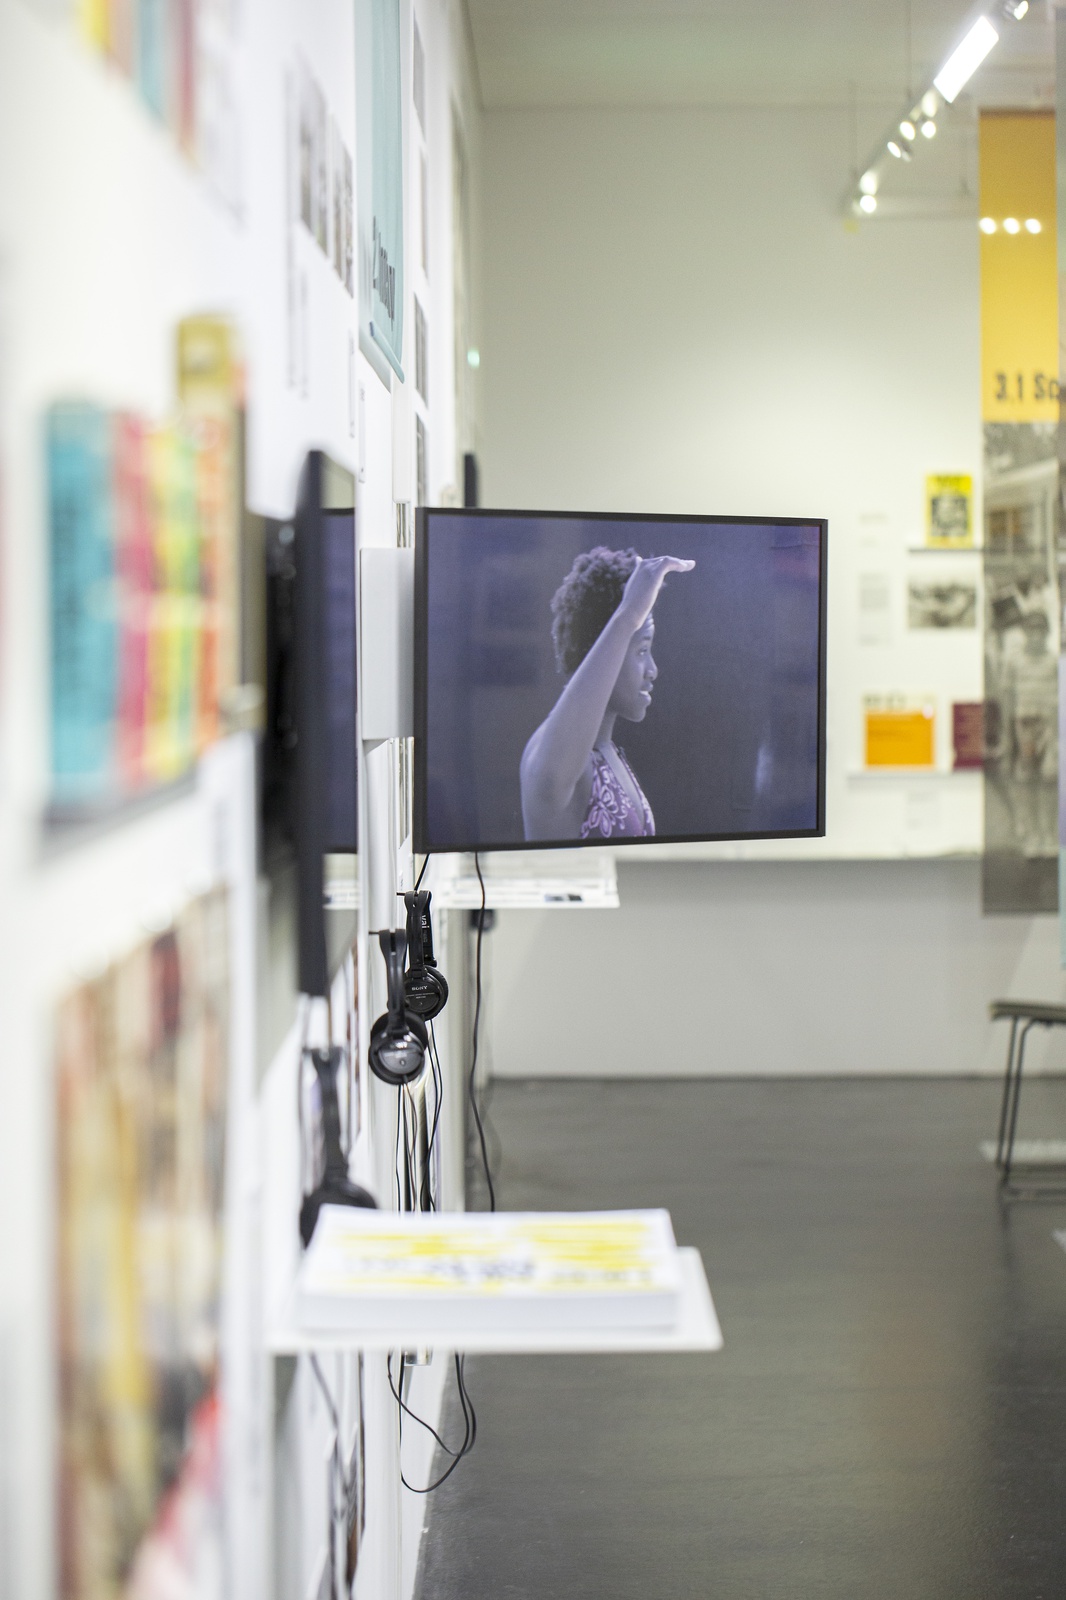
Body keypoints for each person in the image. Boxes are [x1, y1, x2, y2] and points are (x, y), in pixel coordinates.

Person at [520, 546, 695, 841]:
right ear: (604, 647)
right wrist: (628, 616)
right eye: (642, 650)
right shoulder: (555, 755)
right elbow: (549, 780)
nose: (653, 670)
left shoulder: (607, 752)